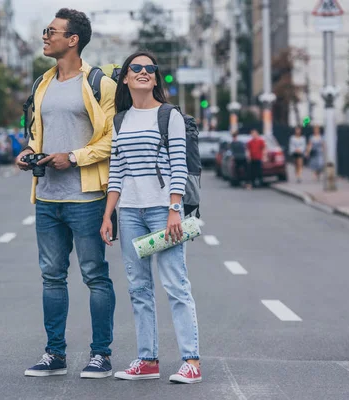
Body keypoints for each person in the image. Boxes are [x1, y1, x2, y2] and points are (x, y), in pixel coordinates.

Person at [15, 8, 117, 379]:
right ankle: (54, 354)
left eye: (52, 31)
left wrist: (73, 157)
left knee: (95, 276)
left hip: (86, 198)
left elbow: (111, 140)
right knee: (52, 277)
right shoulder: (42, 83)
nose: (45, 36)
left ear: (73, 40)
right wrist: (29, 152)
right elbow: (36, 133)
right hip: (47, 197)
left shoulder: (99, 84)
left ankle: (100, 355)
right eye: (45, 30)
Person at [100, 51, 202, 384]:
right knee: (138, 288)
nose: (144, 72)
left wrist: (175, 209)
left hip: (162, 211)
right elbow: (117, 170)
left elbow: (178, 164)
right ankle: (148, 360)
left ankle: (191, 360)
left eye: (150, 69)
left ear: (155, 78)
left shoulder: (168, 115)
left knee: (175, 283)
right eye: (137, 68)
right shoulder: (120, 120)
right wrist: (108, 215)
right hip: (129, 212)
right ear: (125, 78)